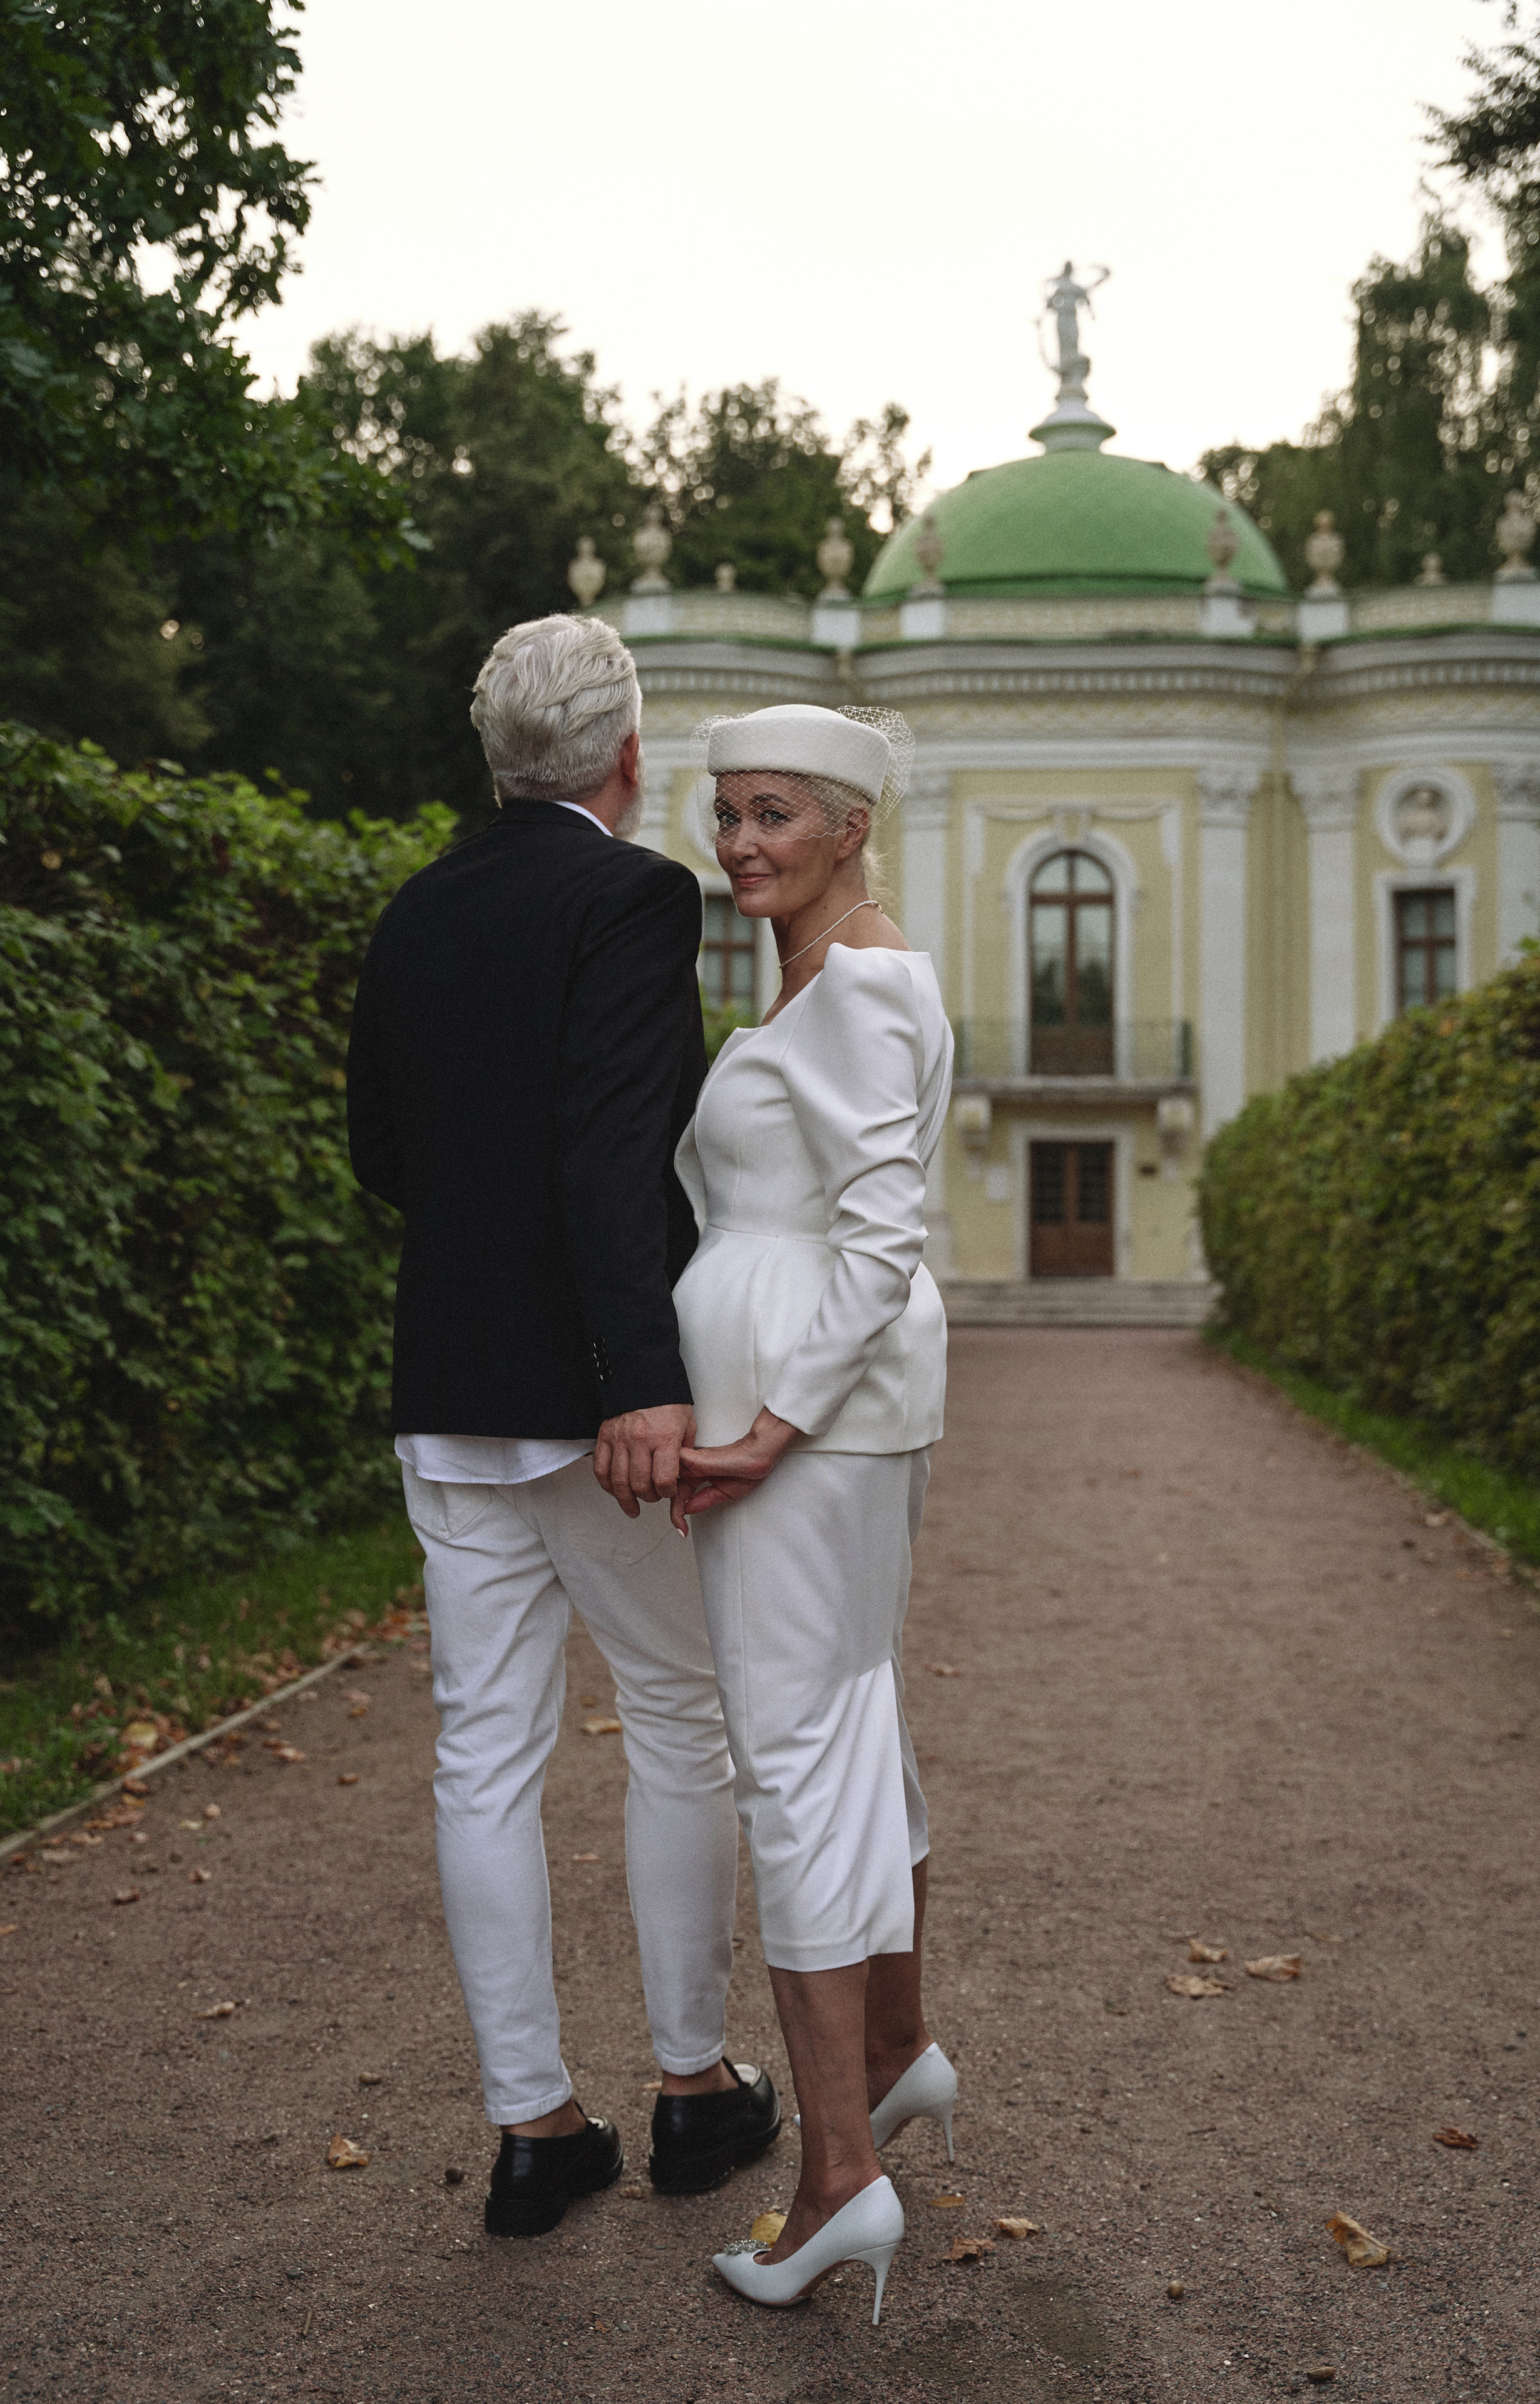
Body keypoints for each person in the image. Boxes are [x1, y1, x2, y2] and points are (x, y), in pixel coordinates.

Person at [345, 615, 779, 2241]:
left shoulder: (417, 908)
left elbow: (379, 1142)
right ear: (628, 758)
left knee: (484, 1758)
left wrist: (479, 1268)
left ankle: (534, 2128)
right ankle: (690, 2092)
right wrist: (634, 1373)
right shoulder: (633, 894)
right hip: (595, 1404)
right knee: (678, 1716)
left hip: (447, 1394)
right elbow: (613, 1152)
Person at [665, 703, 958, 2325]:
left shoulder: (857, 984)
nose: (738, 844)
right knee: (850, 1725)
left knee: (796, 1762)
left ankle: (839, 2174)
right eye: (725, 814)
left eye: (772, 813)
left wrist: (772, 1423)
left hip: (808, 1427)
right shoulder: (829, 969)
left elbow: (884, 1228)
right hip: (823, 1419)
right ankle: (897, 2054)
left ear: (850, 823)